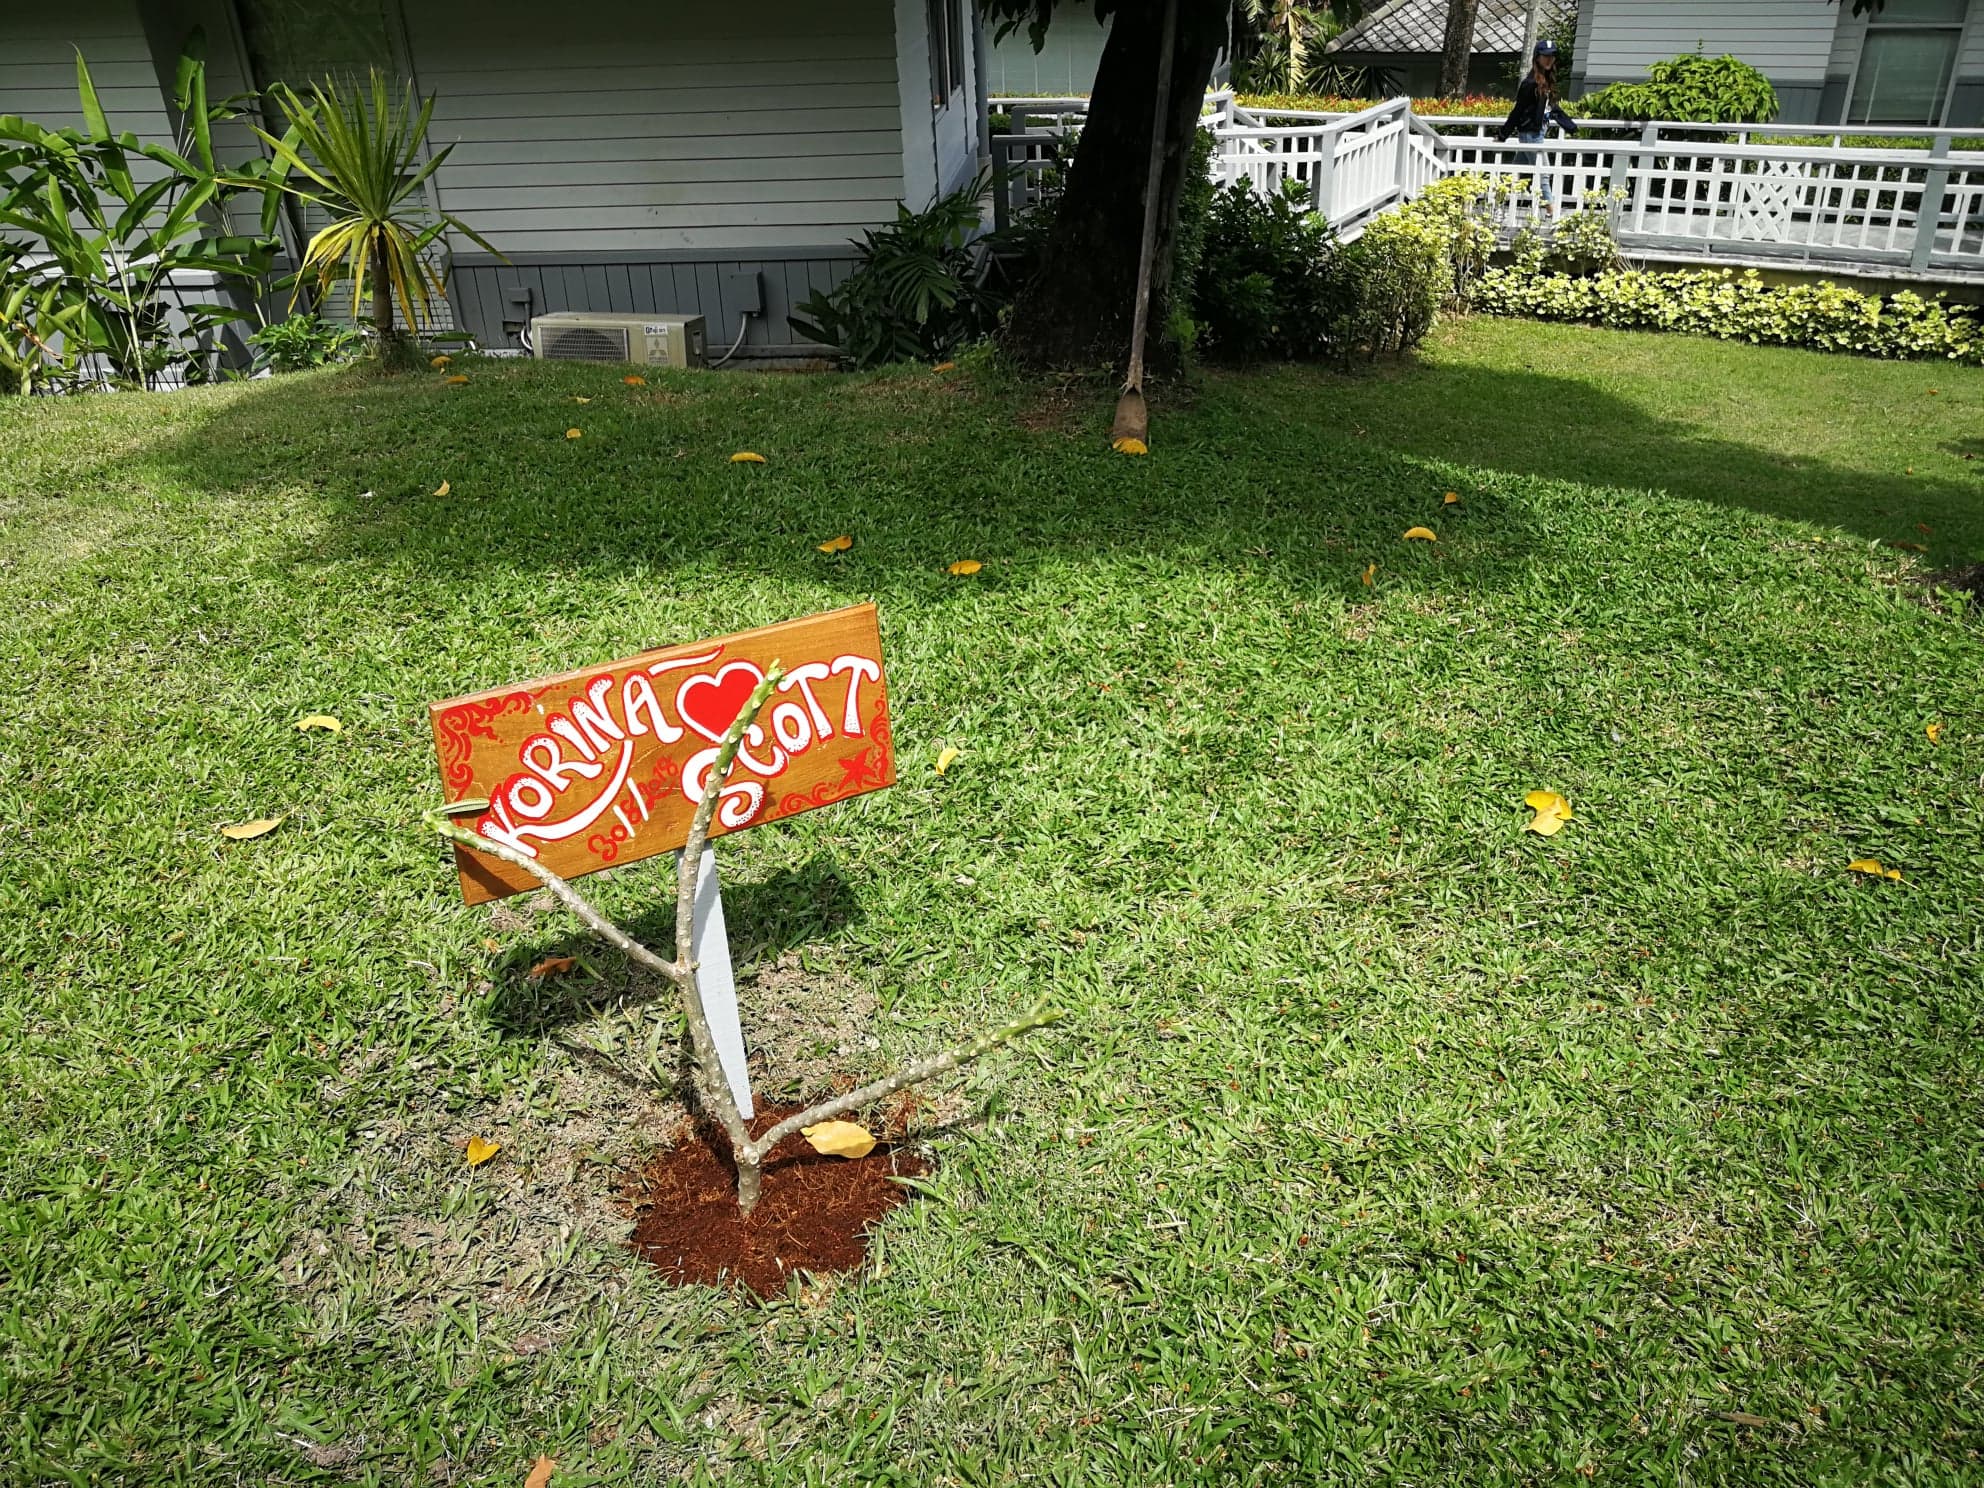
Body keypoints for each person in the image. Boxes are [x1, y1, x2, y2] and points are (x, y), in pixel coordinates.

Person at [1497, 39, 1577, 206]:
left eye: (1552, 56)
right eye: (1545, 56)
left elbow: (1552, 108)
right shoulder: (1530, 83)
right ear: (1537, 58)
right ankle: (1551, 210)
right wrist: (1503, 134)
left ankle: (1496, 200)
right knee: (1544, 172)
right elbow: (1517, 110)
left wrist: (1570, 126)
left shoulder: (1545, 81)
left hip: (1536, 132)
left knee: (1515, 172)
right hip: (1531, 134)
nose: (1549, 60)